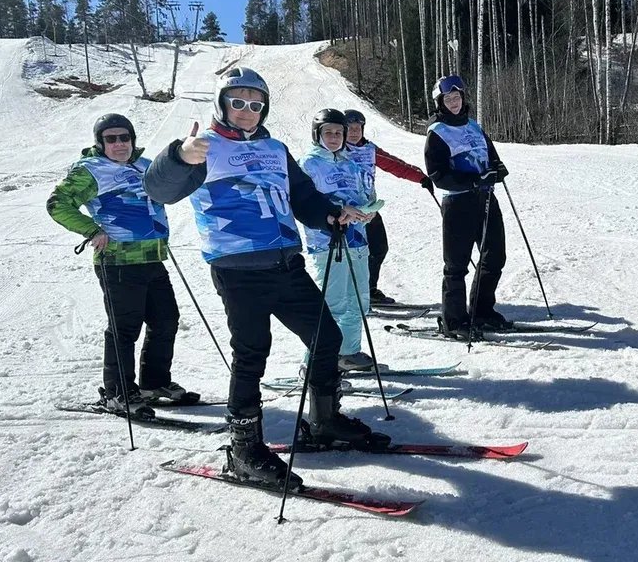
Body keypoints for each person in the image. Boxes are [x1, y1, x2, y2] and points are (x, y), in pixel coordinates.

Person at [143, 67, 388, 489]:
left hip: (286, 263)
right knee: (252, 353)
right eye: (237, 102)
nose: (246, 111)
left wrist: (331, 214)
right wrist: (179, 156)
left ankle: (324, 421)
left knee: (326, 337)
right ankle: (243, 450)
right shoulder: (205, 148)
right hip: (238, 269)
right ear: (222, 104)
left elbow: (304, 196)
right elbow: (158, 188)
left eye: (255, 104)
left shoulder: (275, 148)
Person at [47, 113, 191, 419]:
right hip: (118, 262)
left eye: (124, 137)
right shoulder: (90, 170)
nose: (119, 144)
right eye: (111, 139)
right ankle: (118, 393)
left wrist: (183, 157)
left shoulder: (144, 165)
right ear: (100, 143)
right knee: (124, 329)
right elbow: (57, 203)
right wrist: (91, 230)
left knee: (166, 320)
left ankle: (154, 383)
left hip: (152, 257)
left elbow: (171, 187)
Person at [423, 75, 511, 339]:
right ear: (440, 102)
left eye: (457, 97)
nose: (454, 102)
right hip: (458, 203)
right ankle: (454, 320)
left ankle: (481, 311)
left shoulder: (473, 125)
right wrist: (474, 181)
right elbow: (438, 175)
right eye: (448, 99)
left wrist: (498, 169)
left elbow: (490, 156)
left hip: (485, 199)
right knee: (456, 265)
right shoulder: (437, 132)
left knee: (494, 256)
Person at [298, 109, 378, 371]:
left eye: (339, 132)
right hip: (328, 242)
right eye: (328, 132)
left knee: (359, 300)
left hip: (357, 240)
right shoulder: (309, 164)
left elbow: (367, 193)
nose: (334, 137)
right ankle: (314, 363)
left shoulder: (351, 163)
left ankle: (348, 352)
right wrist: (340, 208)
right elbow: (305, 202)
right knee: (332, 304)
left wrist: (370, 208)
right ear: (317, 134)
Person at [342, 109, 434, 305]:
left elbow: (395, 165)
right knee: (349, 254)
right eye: (350, 128)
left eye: (358, 128)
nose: (354, 132)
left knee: (378, 248)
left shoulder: (368, 149)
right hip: (346, 213)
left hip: (368, 210)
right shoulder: (335, 150)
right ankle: (348, 294)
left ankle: (368, 289)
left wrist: (420, 177)